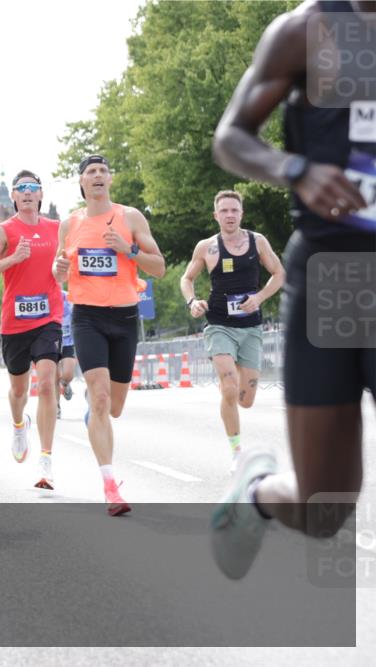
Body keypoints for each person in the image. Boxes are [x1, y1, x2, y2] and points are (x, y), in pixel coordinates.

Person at [210, 1, 376, 579]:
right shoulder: (305, 30)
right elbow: (230, 137)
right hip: (330, 276)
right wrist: (296, 171)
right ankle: (257, 493)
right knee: (322, 507)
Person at [53, 154, 166, 515]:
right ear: (82, 182)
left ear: (110, 180)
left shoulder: (131, 217)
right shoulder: (69, 224)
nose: (98, 175)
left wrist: (128, 250)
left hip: (124, 317)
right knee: (101, 398)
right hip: (87, 317)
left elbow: (159, 267)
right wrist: (58, 270)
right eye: (91, 172)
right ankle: (110, 486)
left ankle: (96, 403)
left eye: (103, 171)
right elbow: (59, 272)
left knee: (114, 407)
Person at [180, 190, 285, 473]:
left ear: (241, 214)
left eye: (234, 210)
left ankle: (231, 388)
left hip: (250, 327)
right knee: (229, 388)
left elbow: (279, 274)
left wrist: (259, 298)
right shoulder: (207, 247)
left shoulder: (257, 241)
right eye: (224, 211)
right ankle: (237, 452)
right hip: (219, 325)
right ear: (216, 215)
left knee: (246, 400)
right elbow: (187, 278)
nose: (229, 215)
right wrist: (192, 302)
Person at [0, 170, 64, 489]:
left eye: (32, 188)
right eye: (21, 188)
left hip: (49, 318)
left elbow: (71, 264)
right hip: (14, 322)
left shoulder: (57, 228)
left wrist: (65, 270)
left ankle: (46, 460)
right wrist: (12, 259)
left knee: (48, 384)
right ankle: (17, 424)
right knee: (18, 391)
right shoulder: (5, 230)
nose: (27, 193)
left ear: (40, 195)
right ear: (13, 196)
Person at [56, 290, 77, 420]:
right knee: (53, 378)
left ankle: (64, 384)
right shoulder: (43, 295)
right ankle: (56, 407)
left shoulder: (68, 297)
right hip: (50, 341)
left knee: (68, 375)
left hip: (68, 341)